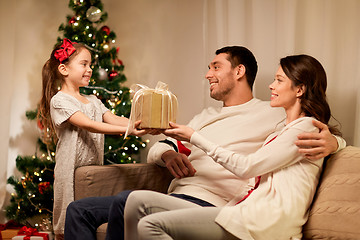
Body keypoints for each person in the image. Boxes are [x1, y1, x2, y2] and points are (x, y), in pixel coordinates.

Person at [64, 46, 345, 240]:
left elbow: (307, 130)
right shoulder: (205, 116)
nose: (208, 74)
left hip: (211, 200)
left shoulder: (270, 113)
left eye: (215, 67)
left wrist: (335, 142)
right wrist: (167, 155)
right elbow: (161, 144)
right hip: (176, 195)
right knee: (79, 210)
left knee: (128, 201)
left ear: (239, 72)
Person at [37, 38, 149, 239]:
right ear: (64, 69)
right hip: (69, 170)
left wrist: (137, 123)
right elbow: (87, 124)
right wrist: (128, 131)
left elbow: (112, 118)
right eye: (84, 64)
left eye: (91, 65)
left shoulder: (93, 100)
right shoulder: (60, 100)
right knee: (68, 219)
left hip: (92, 172)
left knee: (88, 212)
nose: (89, 69)